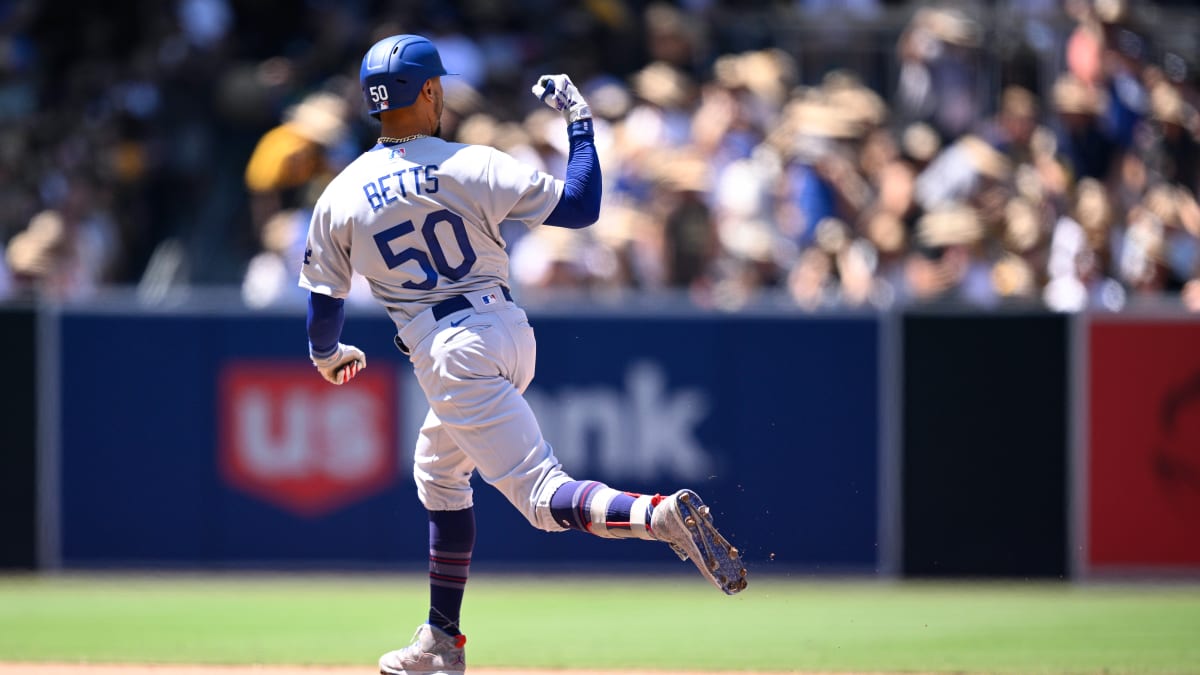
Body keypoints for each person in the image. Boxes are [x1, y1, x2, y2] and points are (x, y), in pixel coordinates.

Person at [297, 34, 747, 675]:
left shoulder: (339, 195)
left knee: (543, 499)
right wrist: (581, 124)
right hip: (508, 331)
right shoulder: (470, 163)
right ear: (427, 91)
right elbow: (581, 204)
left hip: (448, 352)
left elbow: (323, 306)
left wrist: (328, 354)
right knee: (438, 471)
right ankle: (442, 641)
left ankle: (657, 516)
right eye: (440, 86)